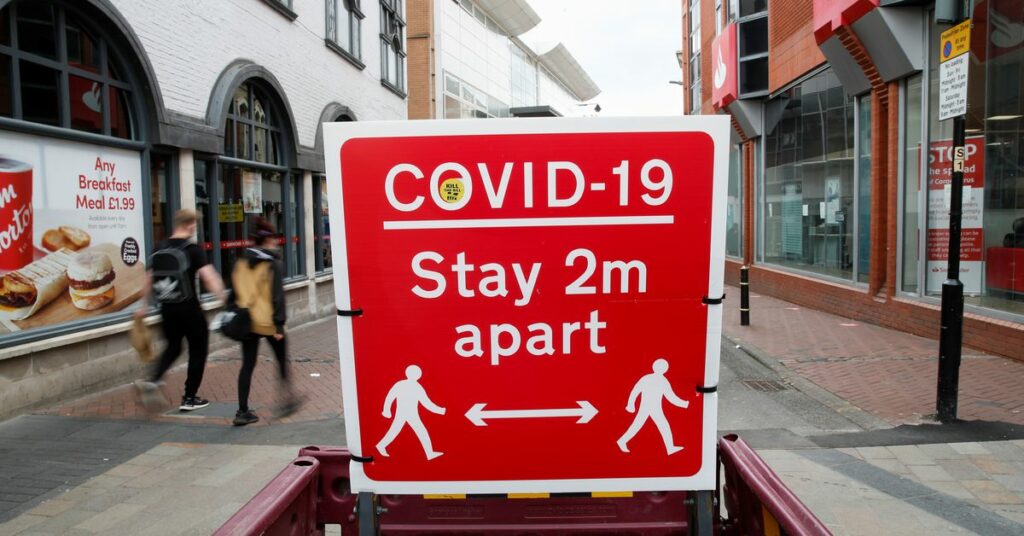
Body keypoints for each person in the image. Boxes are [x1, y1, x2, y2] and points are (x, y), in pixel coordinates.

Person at [135, 209, 226, 412]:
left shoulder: (159, 248)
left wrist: (143, 306)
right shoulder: (193, 249)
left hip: (167, 309)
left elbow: (148, 280)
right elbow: (209, 278)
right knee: (198, 350)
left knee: (173, 347)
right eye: (195, 225)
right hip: (190, 309)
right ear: (191, 225)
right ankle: (190, 397)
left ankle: (154, 380)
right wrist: (224, 298)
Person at [229, 218, 301, 426]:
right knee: (281, 361)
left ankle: (242, 411)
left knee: (248, 364)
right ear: (267, 239)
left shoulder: (240, 263)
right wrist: (279, 325)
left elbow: (233, 293)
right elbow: (276, 297)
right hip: (268, 323)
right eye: (273, 237)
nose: (276, 241)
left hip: (246, 321)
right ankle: (288, 401)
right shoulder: (272, 264)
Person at [617, 358, 689, 455]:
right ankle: (622, 441)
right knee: (641, 425)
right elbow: (671, 397)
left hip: (653, 408)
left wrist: (631, 404)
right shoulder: (661, 381)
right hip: (649, 408)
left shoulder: (649, 378)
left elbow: (635, 391)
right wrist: (685, 404)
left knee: (661, 425)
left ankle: (670, 448)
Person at [376, 365, 446, 460]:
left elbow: (390, 397)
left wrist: (386, 410)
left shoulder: (404, 385)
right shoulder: (413, 386)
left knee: (398, 430)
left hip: (409, 413)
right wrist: (440, 410)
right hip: (407, 414)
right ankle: (429, 453)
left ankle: (429, 453)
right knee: (419, 431)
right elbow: (426, 403)